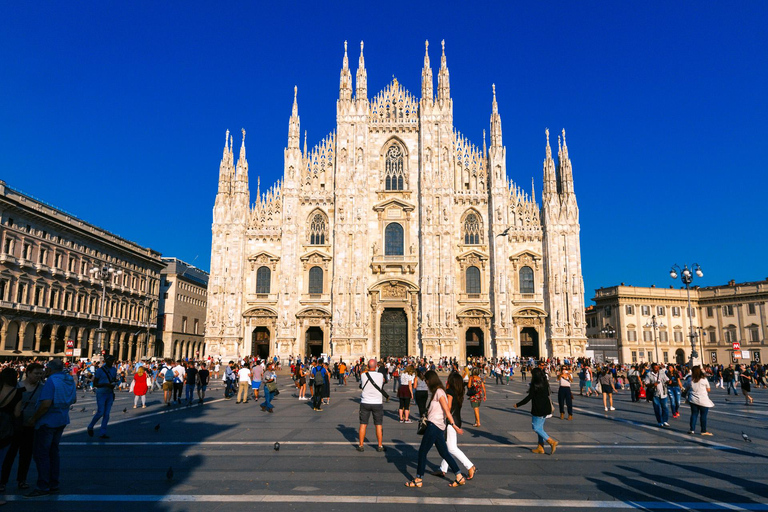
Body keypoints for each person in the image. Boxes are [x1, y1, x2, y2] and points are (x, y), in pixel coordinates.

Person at [25, 359, 77, 498]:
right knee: (53, 453)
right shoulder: (69, 380)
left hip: (47, 422)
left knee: (41, 454)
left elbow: (46, 404)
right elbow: (74, 399)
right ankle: (54, 484)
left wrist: (34, 418)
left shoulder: (51, 381)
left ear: (49, 369)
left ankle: (43, 485)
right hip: (62, 420)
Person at [405, 370, 465, 488]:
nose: (426, 383)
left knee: (422, 452)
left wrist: (453, 425)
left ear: (430, 380)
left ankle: (418, 478)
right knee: (444, 453)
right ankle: (459, 476)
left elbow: (446, 410)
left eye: (426, 380)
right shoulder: (439, 392)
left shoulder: (439, 392)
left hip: (434, 426)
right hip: (438, 427)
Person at [1, 363, 44, 493]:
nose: (39, 376)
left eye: (40, 373)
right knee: (9, 455)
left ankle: (22, 480)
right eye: (36, 373)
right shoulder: (17, 387)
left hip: (31, 426)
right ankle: (3, 481)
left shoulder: (42, 388)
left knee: (26, 455)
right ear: (28, 372)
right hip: (14, 427)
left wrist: (35, 419)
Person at [435, 371, 476, 480]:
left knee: (452, 448)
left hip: (451, 422)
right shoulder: (458, 392)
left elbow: (447, 407)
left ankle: (470, 466)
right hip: (457, 420)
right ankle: (443, 469)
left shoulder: (449, 392)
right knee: (448, 446)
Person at [514, 367, 558, 455]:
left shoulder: (535, 385)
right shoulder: (545, 383)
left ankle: (551, 441)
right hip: (546, 408)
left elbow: (529, 397)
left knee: (536, 428)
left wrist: (518, 404)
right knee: (540, 428)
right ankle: (540, 447)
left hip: (538, 409)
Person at [357, 359, 386, 452]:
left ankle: (361, 445)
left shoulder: (363, 375)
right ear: (376, 366)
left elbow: (361, 385)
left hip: (365, 402)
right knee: (378, 425)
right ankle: (380, 445)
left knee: (363, 424)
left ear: (368, 366)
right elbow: (383, 382)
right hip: (377, 403)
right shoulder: (380, 375)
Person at [87, 354, 117, 439]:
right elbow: (95, 383)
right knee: (100, 412)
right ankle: (90, 426)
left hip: (109, 393)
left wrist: (113, 385)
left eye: (113, 361)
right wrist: (105, 384)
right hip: (101, 392)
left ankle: (102, 432)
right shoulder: (100, 370)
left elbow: (113, 380)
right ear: (106, 361)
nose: (112, 362)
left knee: (107, 414)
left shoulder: (114, 370)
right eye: (110, 360)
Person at [686, 366, 714, 435]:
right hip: (703, 400)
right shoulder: (704, 379)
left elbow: (687, 388)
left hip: (693, 399)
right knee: (703, 416)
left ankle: (692, 429)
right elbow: (708, 389)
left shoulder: (690, 380)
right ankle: (703, 431)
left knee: (694, 414)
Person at [645, 363, 670, 428]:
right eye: (655, 368)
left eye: (658, 368)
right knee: (657, 408)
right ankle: (660, 421)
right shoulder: (649, 374)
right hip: (655, 394)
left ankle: (665, 420)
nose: (657, 369)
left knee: (665, 408)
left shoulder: (662, 373)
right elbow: (646, 384)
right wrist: (653, 384)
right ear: (652, 368)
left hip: (663, 393)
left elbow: (667, 379)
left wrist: (669, 382)